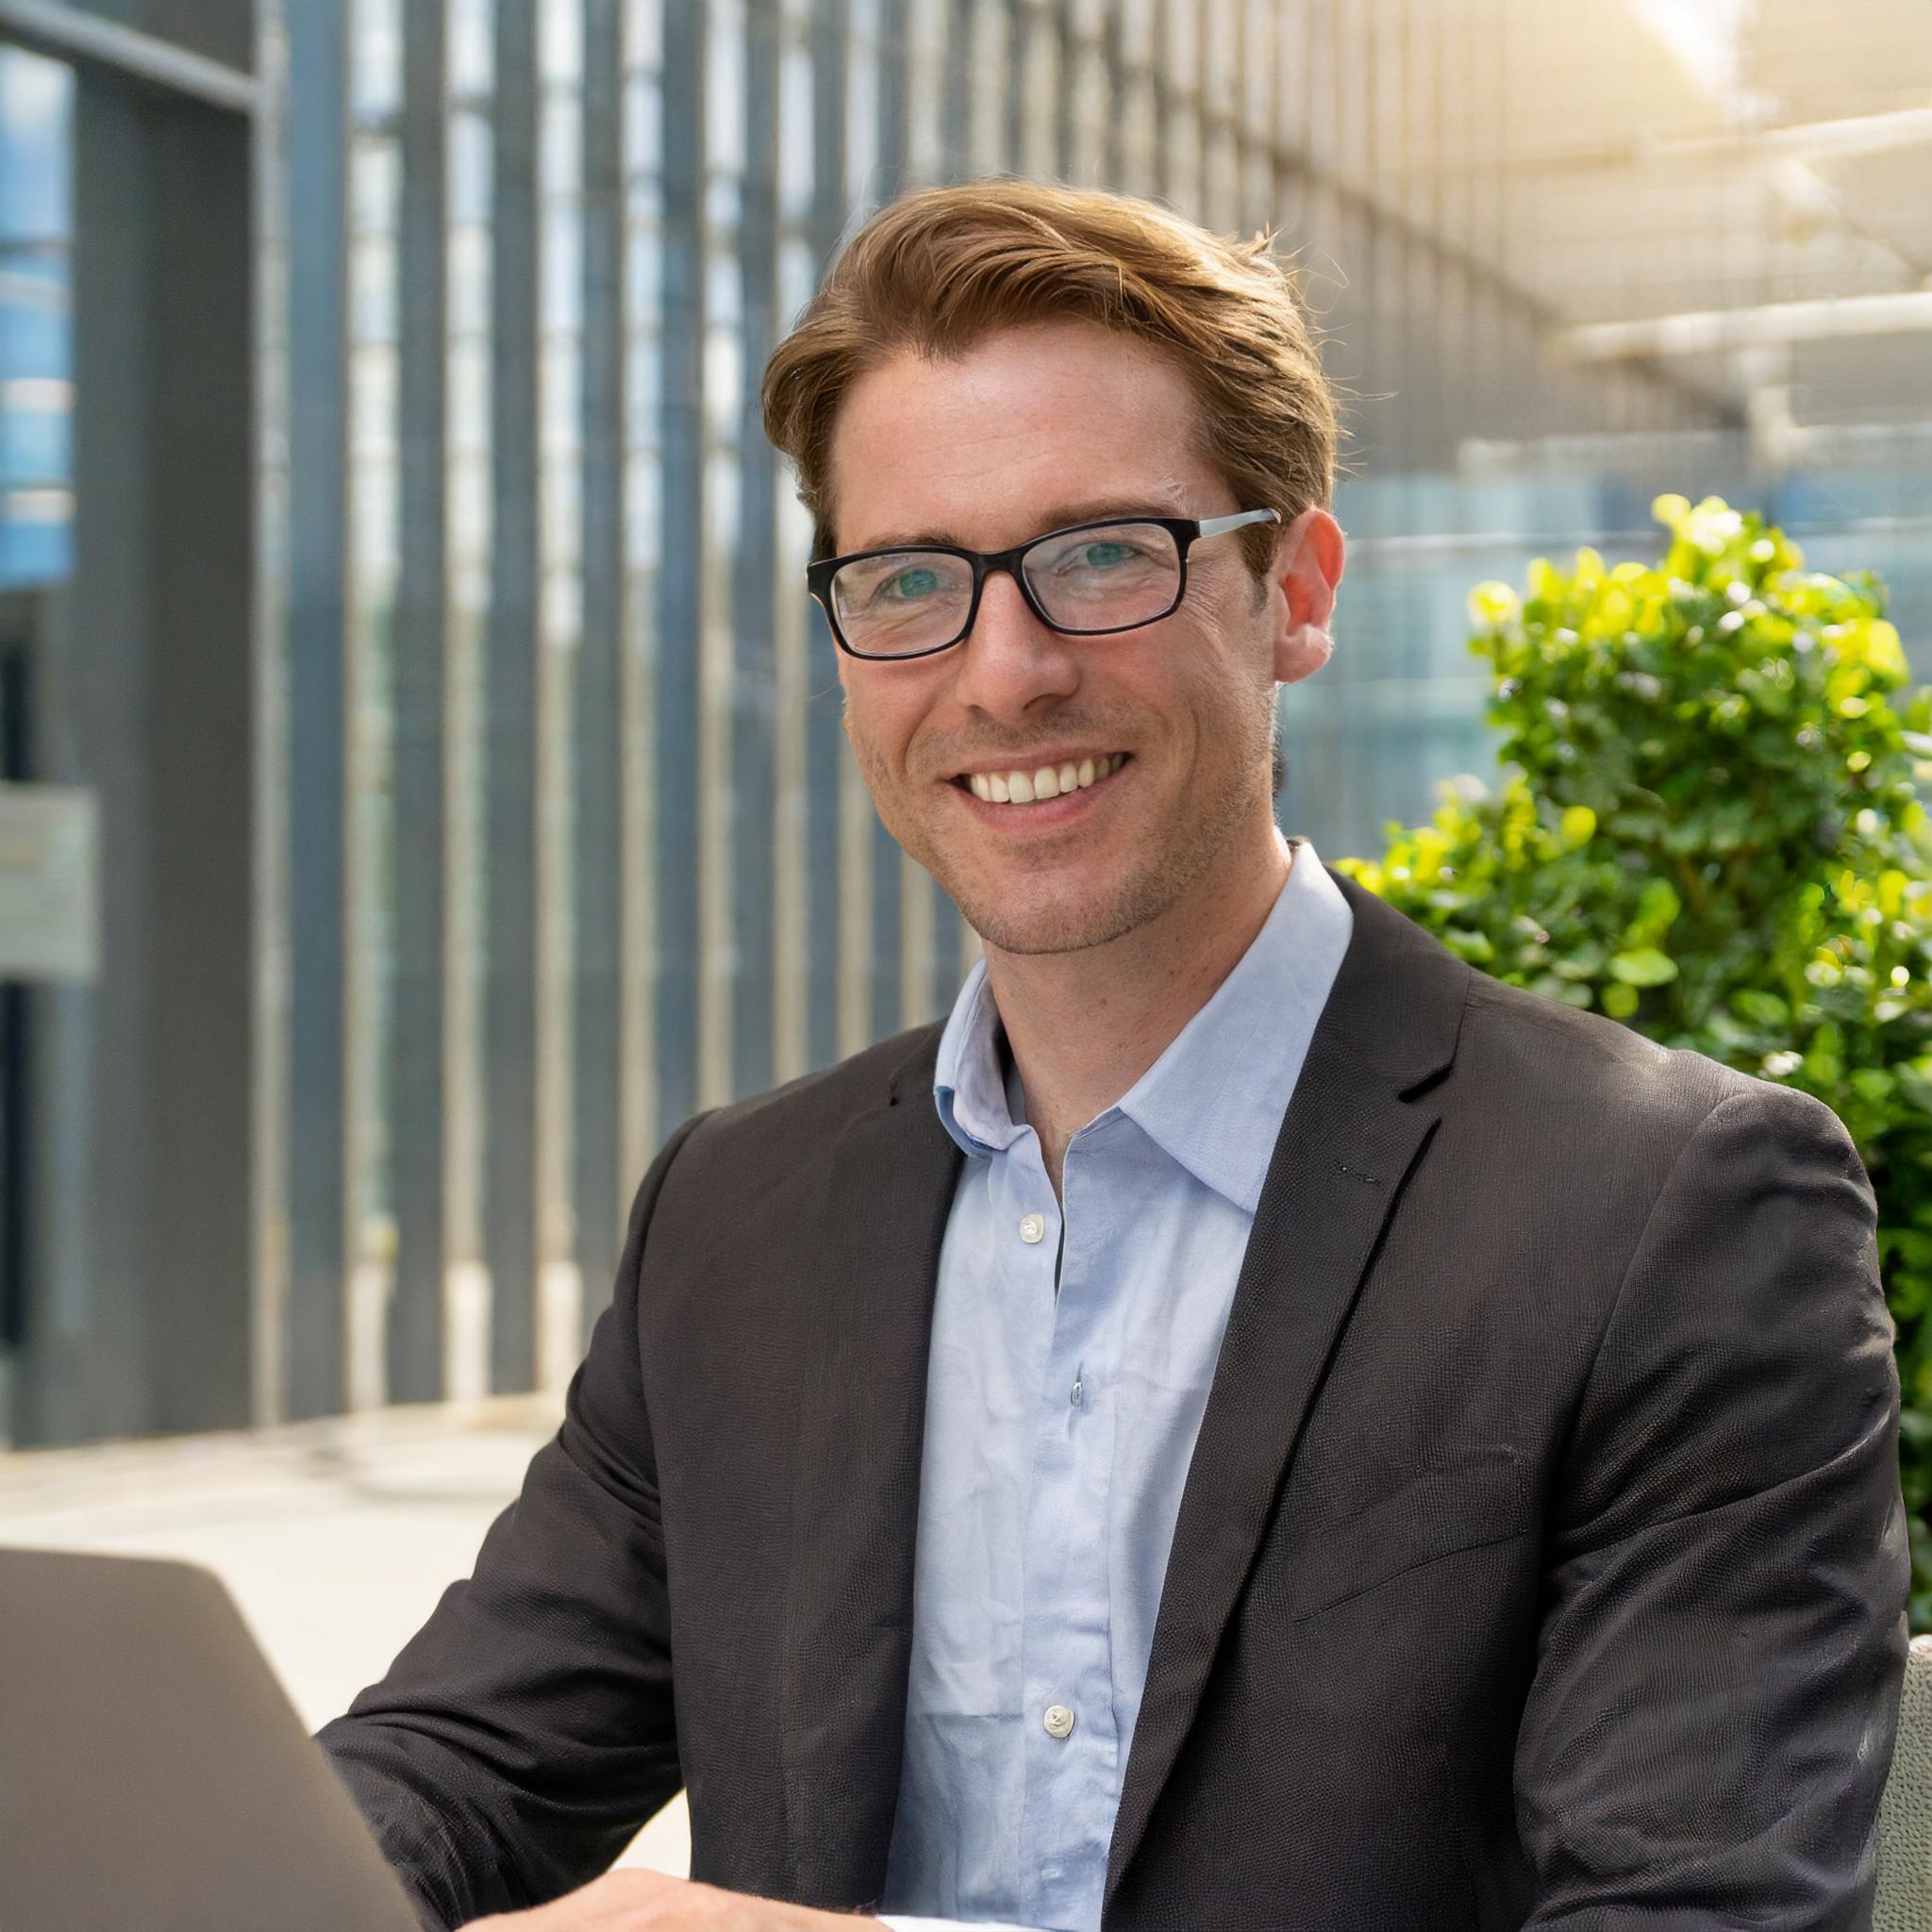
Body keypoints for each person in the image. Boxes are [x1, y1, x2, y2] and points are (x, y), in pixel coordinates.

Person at [320, 178, 1909, 1932]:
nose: (1003, 675)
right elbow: (455, 1772)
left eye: (1099, 557)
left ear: (1294, 594)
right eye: (908, 579)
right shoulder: (736, 1217)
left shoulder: (1665, 1213)